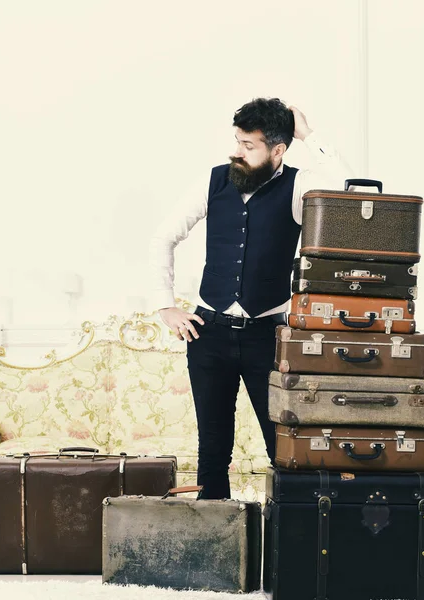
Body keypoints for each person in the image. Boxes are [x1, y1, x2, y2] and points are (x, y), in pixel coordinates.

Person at [149, 98, 352, 499]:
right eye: (237, 142)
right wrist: (165, 305)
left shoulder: (299, 186)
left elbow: (346, 189)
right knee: (213, 450)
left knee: (283, 449)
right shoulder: (214, 181)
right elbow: (163, 237)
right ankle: (218, 548)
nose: (237, 152)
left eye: (249, 146)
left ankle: (287, 546)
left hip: (268, 338)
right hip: (209, 334)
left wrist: (308, 135)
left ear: (278, 150)